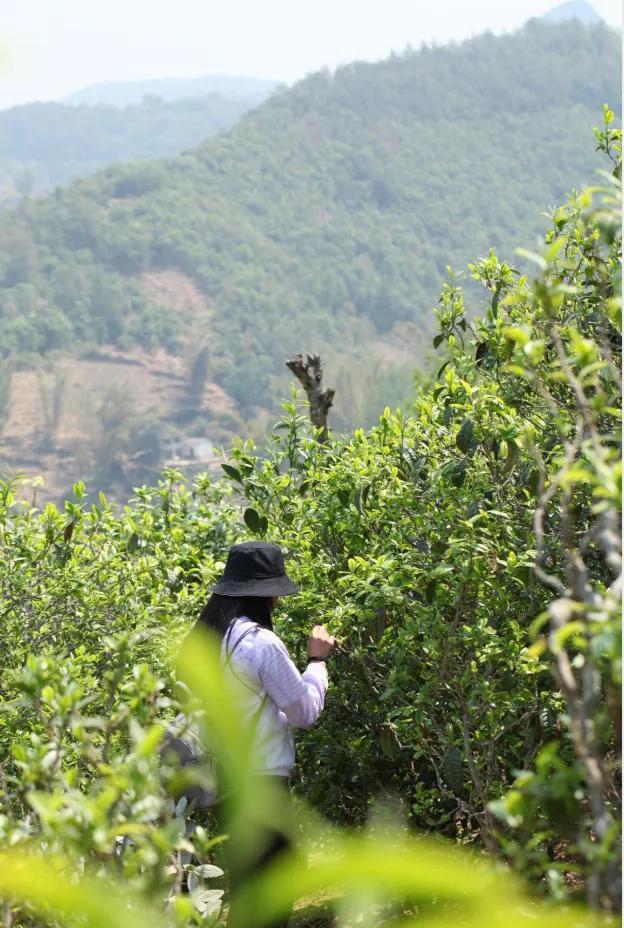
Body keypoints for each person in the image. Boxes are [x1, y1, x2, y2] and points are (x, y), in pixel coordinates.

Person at [195, 540, 335, 923]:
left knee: (247, 896)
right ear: (269, 597)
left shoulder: (211, 640)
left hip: (226, 784)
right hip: (263, 786)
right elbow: (305, 711)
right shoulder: (260, 643)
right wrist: (317, 661)